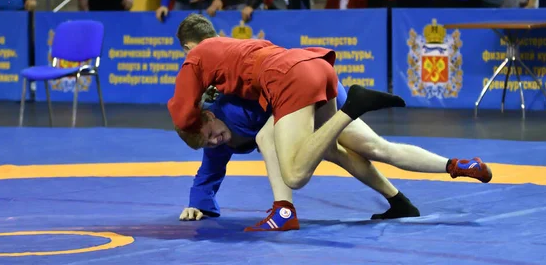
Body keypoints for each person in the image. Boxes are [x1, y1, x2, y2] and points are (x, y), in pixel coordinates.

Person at [179, 84, 493, 232]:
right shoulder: (216, 136)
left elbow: (278, 106)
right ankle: (451, 166)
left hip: (300, 100)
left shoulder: (232, 106)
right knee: (376, 148)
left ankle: (283, 210)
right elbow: (209, 169)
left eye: (212, 134)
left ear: (208, 115)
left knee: (283, 144)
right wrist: (198, 202)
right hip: (318, 89)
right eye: (210, 142)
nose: (216, 141)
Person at [168, 14, 406, 194]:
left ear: (188, 48)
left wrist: (190, 122)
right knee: (370, 147)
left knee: (292, 172)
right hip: (311, 68)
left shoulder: (197, 59)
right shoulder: (230, 46)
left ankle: (284, 210)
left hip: (288, 85)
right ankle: (434, 172)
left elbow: (183, 113)